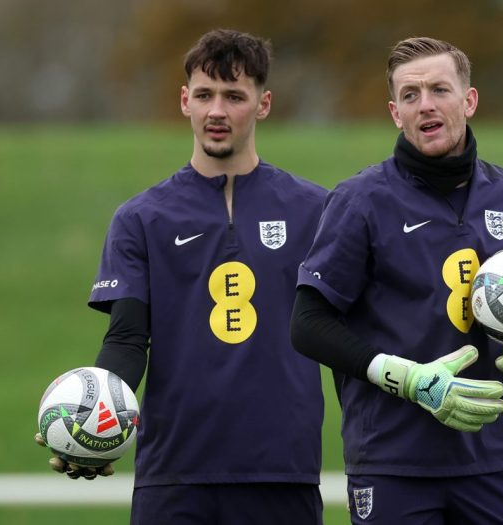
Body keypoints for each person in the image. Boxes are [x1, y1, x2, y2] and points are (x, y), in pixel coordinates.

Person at [35, 28, 327, 524]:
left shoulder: (317, 210)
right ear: (184, 101)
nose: (217, 111)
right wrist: (91, 422)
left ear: (264, 104)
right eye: (205, 94)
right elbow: (127, 339)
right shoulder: (142, 218)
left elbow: (342, 331)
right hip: (174, 475)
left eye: (234, 96)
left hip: (282, 471)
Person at [291, 36, 503, 524]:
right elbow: (307, 323)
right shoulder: (360, 201)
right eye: (410, 95)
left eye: (439, 90)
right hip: (391, 462)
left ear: (468, 101)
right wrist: (407, 379)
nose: (425, 104)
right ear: (394, 113)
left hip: (488, 456)